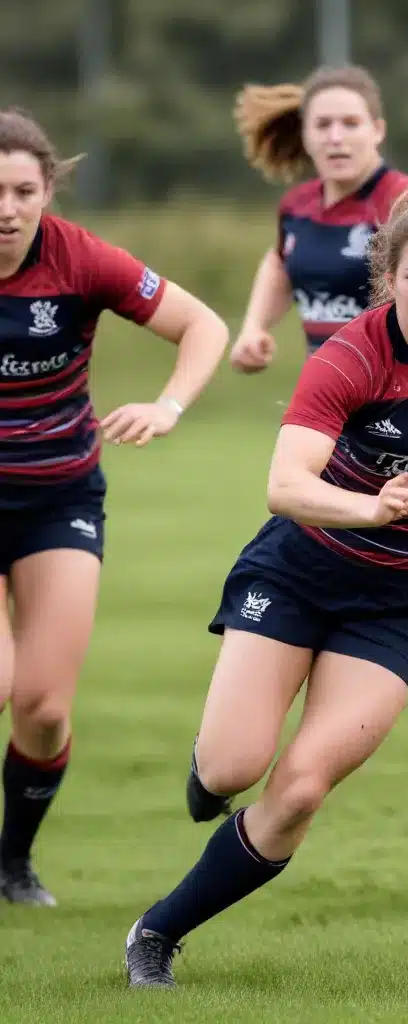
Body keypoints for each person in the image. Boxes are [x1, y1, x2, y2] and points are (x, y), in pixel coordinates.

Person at [123, 192, 408, 989]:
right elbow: (285, 485)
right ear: (386, 280)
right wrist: (371, 507)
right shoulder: (351, 356)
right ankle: (210, 767)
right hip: (302, 571)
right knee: (232, 766)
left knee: (300, 789)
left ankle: (157, 932)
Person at [0, 109, 228, 907]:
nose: (6, 208)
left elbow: (202, 324)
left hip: (59, 494)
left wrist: (168, 404)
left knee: (44, 706)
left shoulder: (80, 259)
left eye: (23, 190)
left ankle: (14, 860)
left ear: (48, 190)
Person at [229, 65, 408, 371]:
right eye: (322, 125)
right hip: (328, 394)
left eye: (350, 124)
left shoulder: (405, 205)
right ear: (305, 133)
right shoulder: (297, 206)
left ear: (378, 130)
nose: (335, 137)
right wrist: (254, 328)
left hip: (399, 398)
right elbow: (280, 261)